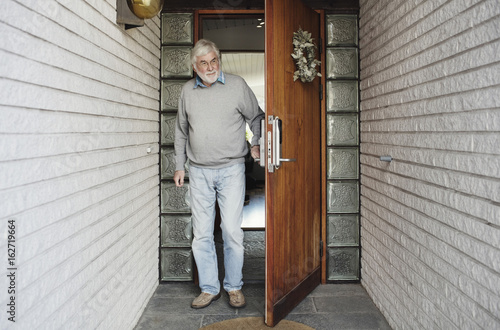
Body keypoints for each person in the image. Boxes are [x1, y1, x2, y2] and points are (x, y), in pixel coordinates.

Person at [173, 39, 264, 309]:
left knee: (232, 231)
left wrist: (256, 143)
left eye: (214, 61)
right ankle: (209, 288)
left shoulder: (236, 86)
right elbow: (180, 130)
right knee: (201, 233)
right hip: (198, 171)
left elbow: (257, 117)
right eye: (204, 63)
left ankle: (234, 287)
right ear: (194, 66)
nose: (210, 67)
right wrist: (180, 165)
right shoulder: (187, 91)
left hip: (232, 169)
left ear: (219, 60)